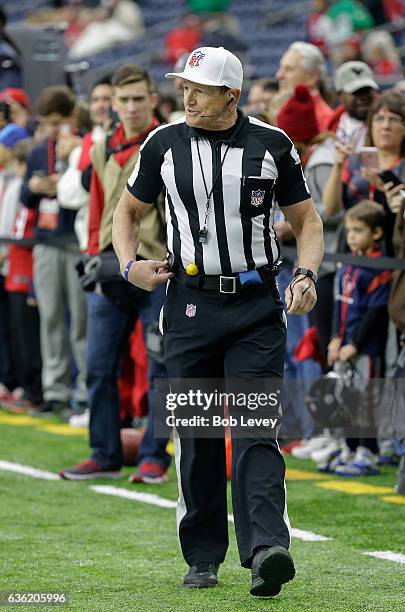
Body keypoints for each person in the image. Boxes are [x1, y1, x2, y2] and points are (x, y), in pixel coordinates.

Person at [112, 46, 324, 597]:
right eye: (183, 86)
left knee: (257, 431)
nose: (186, 96)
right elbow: (128, 211)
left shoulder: (272, 144)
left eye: (198, 89)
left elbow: (307, 221)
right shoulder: (162, 143)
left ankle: (267, 551)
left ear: (230, 94)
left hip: (256, 306)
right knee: (199, 434)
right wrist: (128, 264)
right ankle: (202, 555)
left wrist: (305, 276)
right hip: (188, 303)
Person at [60, 64, 171, 483]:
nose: (130, 107)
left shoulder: (170, 143)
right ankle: (103, 452)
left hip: (159, 269)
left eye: (138, 99)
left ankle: (154, 456)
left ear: (152, 101)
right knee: (98, 367)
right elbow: (98, 205)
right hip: (110, 267)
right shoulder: (101, 144)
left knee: (162, 366)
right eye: (123, 100)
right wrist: (93, 253)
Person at [21, 85, 88, 415]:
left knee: (80, 322)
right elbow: (24, 196)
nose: (50, 129)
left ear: (71, 117)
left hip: (76, 242)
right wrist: (34, 187)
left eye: (56, 121)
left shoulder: (83, 145)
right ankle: (55, 391)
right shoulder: (37, 151)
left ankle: (85, 391)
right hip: (46, 244)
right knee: (50, 319)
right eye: (45, 122)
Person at [326, 200, 391, 475]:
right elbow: (338, 303)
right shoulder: (347, 264)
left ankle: (369, 452)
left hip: (365, 350)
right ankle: (349, 449)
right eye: (349, 230)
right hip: (343, 346)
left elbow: (375, 313)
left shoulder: (378, 268)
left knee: (367, 400)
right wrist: (335, 337)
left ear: (376, 233)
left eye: (358, 230)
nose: (351, 236)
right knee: (346, 399)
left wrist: (355, 343)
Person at [323, 90, 405, 256]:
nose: (386, 126)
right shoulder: (354, 162)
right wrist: (338, 166)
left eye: (394, 119)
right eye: (379, 119)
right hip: (352, 252)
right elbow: (331, 209)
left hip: (393, 251)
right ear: (370, 125)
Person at [276, 41, 333, 131]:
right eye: (281, 68)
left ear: (311, 78)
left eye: (289, 69)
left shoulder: (324, 118)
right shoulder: (280, 109)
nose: (279, 75)